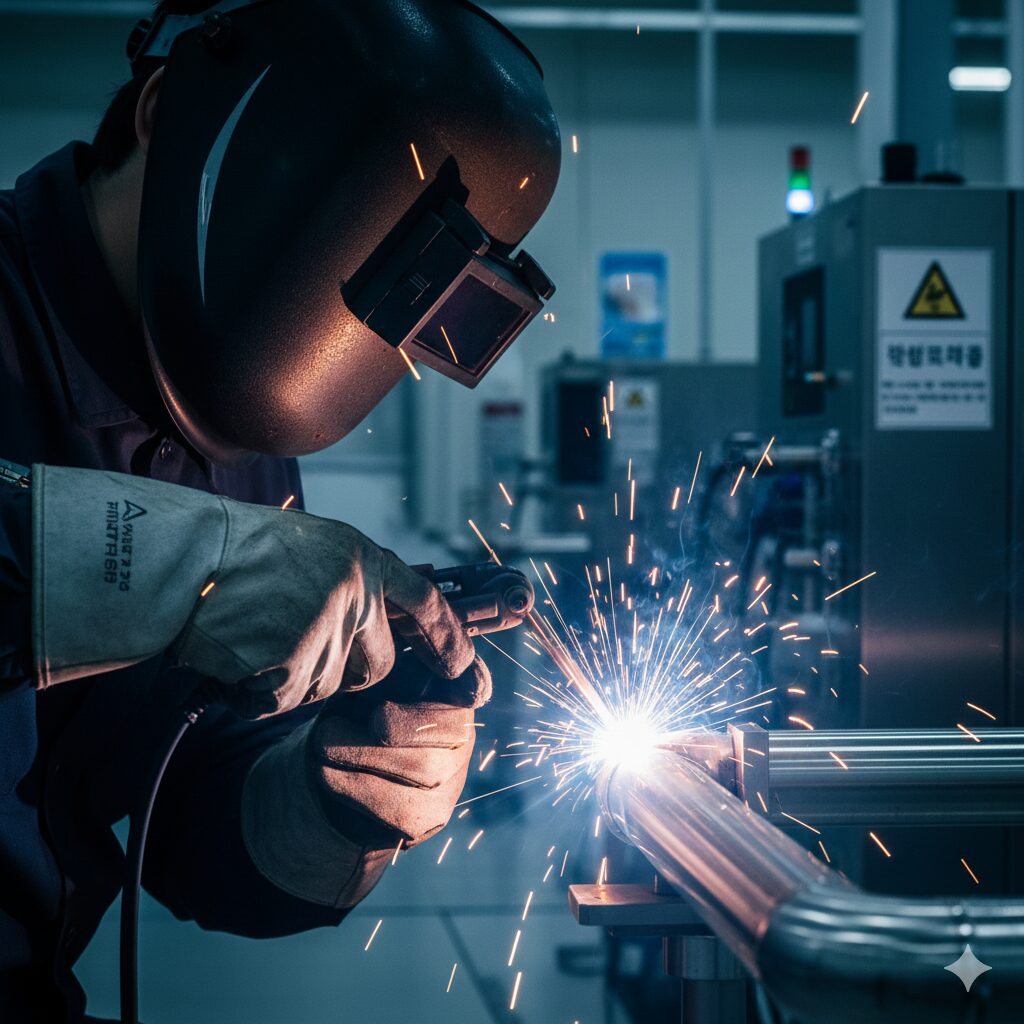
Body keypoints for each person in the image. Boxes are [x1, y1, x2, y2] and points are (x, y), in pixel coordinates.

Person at [0, 1, 560, 1019]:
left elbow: (191, 816)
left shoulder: (238, 443)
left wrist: (334, 793)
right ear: (164, 115)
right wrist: (177, 571)